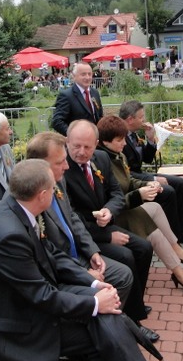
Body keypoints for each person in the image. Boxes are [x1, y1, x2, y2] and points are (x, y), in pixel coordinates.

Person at [0, 159, 150, 361]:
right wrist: (95, 303)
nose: (56, 192)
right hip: (13, 326)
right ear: (42, 195)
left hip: (29, 301)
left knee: (108, 317)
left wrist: (93, 283)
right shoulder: (9, 236)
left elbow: (51, 252)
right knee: (104, 333)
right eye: (53, 188)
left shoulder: (19, 207)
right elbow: (42, 295)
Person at [63, 119, 157, 340]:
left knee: (144, 248)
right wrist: (107, 235)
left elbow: (115, 193)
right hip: (86, 235)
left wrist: (109, 211)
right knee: (126, 256)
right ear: (67, 142)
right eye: (76, 146)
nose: (81, 152)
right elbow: (71, 217)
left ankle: (134, 300)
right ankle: (133, 320)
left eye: (87, 147)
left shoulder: (101, 158)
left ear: (96, 144)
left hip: (106, 222)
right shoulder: (63, 169)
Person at [25, 131, 135, 313]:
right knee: (115, 279)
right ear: (40, 165)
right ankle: (101, 322)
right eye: (60, 162)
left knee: (124, 274)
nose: (67, 166)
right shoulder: (32, 196)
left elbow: (73, 219)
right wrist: (84, 275)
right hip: (60, 268)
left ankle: (114, 320)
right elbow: (47, 253)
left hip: (78, 255)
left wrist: (92, 252)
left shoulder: (57, 181)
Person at [97, 115, 183, 294]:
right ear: (105, 141)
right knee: (152, 230)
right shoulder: (102, 162)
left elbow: (129, 181)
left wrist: (147, 184)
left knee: (156, 207)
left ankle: (175, 249)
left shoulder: (118, 155)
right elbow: (113, 200)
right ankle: (178, 271)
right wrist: (139, 194)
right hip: (113, 216)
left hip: (124, 209)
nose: (124, 143)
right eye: (119, 140)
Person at [120, 100, 183, 246]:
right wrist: (153, 179)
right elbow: (125, 173)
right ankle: (173, 239)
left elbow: (147, 159)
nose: (144, 120)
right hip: (130, 180)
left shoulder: (133, 134)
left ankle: (182, 232)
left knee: (180, 183)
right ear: (130, 119)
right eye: (141, 117)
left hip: (139, 174)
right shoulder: (119, 136)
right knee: (168, 191)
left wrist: (150, 139)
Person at [51, 61, 104, 135]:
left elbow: (100, 116)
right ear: (74, 76)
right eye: (83, 74)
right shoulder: (66, 96)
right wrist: (73, 135)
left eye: (89, 74)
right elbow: (57, 121)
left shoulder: (95, 93)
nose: (87, 77)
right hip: (77, 140)